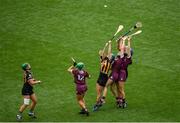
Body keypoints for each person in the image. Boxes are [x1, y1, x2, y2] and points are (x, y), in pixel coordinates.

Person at [93, 41, 115, 111]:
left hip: (104, 77)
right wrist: (105, 46)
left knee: (99, 93)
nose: (102, 54)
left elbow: (109, 52)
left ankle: (97, 104)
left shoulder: (109, 61)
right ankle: (100, 101)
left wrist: (110, 44)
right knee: (98, 92)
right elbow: (102, 52)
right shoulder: (102, 59)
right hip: (100, 75)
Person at [117, 36, 133, 108]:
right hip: (118, 72)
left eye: (126, 49)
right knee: (118, 88)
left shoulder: (128, 58)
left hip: (122, 73)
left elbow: (127, 49)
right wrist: (121, 40)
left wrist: (128, 41)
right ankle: (120, 100)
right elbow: (121, 48)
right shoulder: (122, 56)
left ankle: (124, 101)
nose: (125, 49)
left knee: (121, 88)